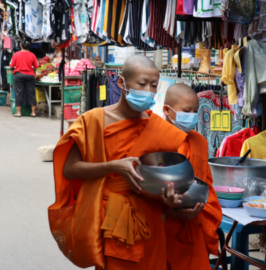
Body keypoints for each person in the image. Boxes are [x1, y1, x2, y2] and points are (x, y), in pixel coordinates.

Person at [49, 56, 188, 270]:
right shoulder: (93, 120)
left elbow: (166, 177)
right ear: (122, 83)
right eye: (142, 84)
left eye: (154, 86)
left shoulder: (160, 129)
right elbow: (69, 169)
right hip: (109, 217)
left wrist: (171, 198)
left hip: (150, 217)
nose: (149, 91)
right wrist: (113, 166)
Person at [162, 83, 222, 270]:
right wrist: (169, 210)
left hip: (194, 224)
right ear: (167, 111)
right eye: (186, 111)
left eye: (195, 111)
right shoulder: (155, 140)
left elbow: (207, 185)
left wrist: (202, 205)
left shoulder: (199, 142)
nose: (192, 116)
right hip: (163, 226)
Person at [10, 41, 38, 117]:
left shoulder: (16, 54)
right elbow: (36, 66)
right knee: (31, 93)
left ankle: (18, 113)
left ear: (21, 45)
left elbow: (11, 66)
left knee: (19, 93)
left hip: (19, 76)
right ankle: (33, 113)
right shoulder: (32, 55)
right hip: (30, 76)